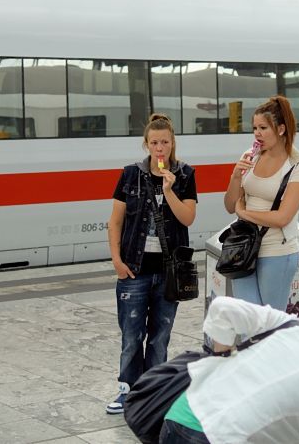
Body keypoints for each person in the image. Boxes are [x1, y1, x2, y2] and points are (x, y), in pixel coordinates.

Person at [106, 113, 198, 415]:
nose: (160, 148)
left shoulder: (185, 174)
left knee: (160, 336)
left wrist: (169, 190)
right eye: (155, 142)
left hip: (169, 270)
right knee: (132, 335)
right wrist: (117, 260)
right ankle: (127, 391)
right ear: (146, 144)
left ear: (173, 144)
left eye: (165, 142)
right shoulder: (131, 174)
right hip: (134, 268)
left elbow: (187, 218)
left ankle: (153, 391)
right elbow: (115, 221)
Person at [159, 297, 299, 443]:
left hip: (180, 414)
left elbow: (221, 307)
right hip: (216, 435)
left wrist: (221, 359)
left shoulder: (293, 326)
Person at [223, 95, 299, 311]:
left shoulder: (298, 166)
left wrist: (244, 214)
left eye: (263, 128)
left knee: (269, 323)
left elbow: (283, 217)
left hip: (278, 253)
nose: (257, 134)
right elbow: (229, 205)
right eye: (254, 128)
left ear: (281, 129)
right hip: (243, 248)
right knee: (247, 319)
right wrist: (235, 176)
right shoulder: (251, 156)